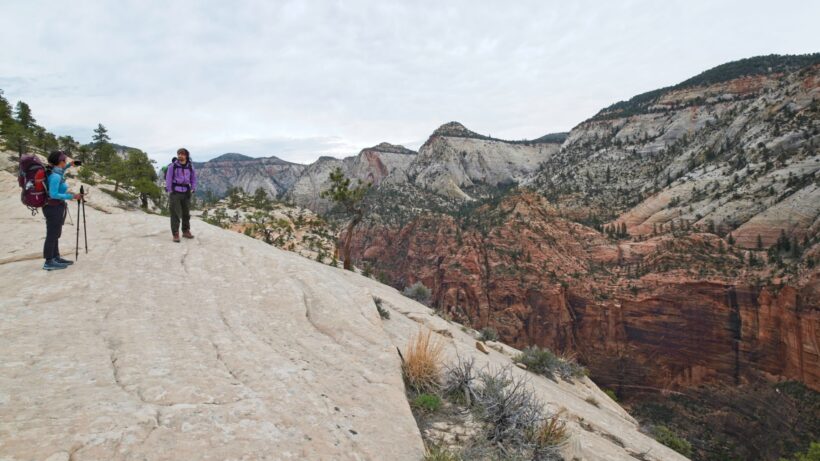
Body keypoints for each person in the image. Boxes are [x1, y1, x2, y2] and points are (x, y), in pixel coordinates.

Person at [43, 151, 83, 271]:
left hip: (54, 207)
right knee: (52, 234)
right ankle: (48, 261)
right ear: (60, 162)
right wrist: (72, 196)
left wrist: (70, 165)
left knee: (55, 233)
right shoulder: (55, 176)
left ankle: (56, 257)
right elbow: (53, 194)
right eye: (64, 161)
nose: (65, 162)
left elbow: (61, 170)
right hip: (53, 207)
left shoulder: (54, 170)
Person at [165, 147, 196, 242]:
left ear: (186, 155)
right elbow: (168, 178)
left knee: (186, 213)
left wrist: (193, 187)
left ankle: (186, 231)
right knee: (175, 214)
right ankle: (175, 234)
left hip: (186, 191)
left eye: (182, 154)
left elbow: (193, 178)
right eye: (179, 154)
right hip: (175, 192)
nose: (180, 156)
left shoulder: (190, 166)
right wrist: (170, 190)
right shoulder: (172, 166)